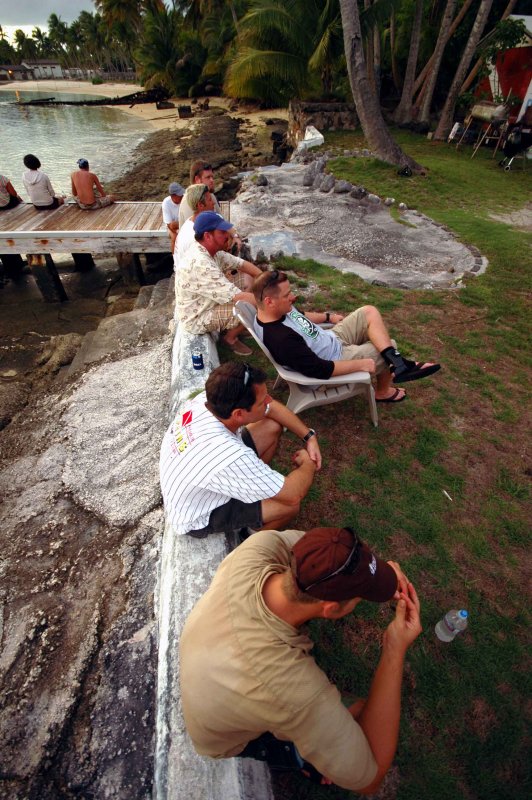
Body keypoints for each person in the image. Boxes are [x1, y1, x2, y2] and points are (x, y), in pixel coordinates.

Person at [179, 524, 422, 792]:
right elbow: (370, 776)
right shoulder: (290, 689)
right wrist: (393, 649)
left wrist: (380, 576)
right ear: (330, 609)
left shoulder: (257, 550)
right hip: (220, 740)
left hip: (208, 668)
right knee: (361, 711)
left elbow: (318, 551)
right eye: (359, 598)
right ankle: (294, 755)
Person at [160, 361, 320, 537]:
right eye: (261, 402)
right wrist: (308, 463)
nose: (269, 400)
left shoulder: (207, 401)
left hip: (198, 480)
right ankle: (250, 535)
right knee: (289, 506)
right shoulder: (229, 456)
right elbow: (293, 494)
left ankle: (255, 485)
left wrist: (309, 437)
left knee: (271, 426)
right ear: (238, 414)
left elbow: (271, 407)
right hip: (197, 514)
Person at [253, 269, 440, 403]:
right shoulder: (281, 339)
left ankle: (399, 364)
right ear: (269, 301)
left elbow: (301, 316)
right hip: (334, 359)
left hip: (331, 337)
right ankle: (383, 390)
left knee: (368, 311)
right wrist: (360, 364)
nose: (293, 297)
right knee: (388, 344)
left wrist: (328, 317)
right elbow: (319, 370)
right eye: (287, 295)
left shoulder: (275, 310)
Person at [175, 210, 261, 355]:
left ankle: (241, 324)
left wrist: (267, 278)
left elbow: (241, 264)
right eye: (222, 232)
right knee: (254, 307)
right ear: (208, 236)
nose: (227, 235)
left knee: (248, 279)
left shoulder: (211, 251)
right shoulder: (200, 264)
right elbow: (239, 298)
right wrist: (271, 301)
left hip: (206, 301)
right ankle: (230, 338)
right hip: (198, 316)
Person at [179, 159, 221, 226]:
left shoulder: (209, 194)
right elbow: (195, 233)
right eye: (208, 177)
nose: (212, 180)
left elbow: (220, 220)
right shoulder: (189, 202)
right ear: (197, 179)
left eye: (212, 177)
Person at [161, 181, 185, 251]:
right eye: (179, 194)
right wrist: (177, 232)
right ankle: (175, 258)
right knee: (174, 238)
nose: (181, 196)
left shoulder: (185, 199)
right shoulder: (166, 203)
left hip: (182, 223)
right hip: (173, 226)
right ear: (173, 196)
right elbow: (169, 225)